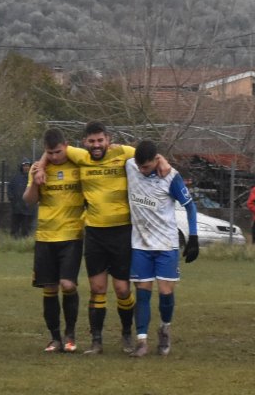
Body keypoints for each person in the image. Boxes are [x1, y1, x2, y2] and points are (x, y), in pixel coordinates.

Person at [33, 121, 170, 355]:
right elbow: (54, 150)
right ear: (84, 142)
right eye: (91, 141)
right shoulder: (81, 156)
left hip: (122, 231)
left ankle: (127, 334)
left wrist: (163, 160)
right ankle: (96, 341)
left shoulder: (124, 153)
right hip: (95, 233)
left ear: (108, 139)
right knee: (97, 287)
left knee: (122, 289)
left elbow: (148, 153)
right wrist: (41, 166)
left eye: (100, 140)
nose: (96, 145)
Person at [124, 140, 198, 357]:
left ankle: (165, 328)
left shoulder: (171, 177)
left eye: (145, 167)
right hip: (140, 244)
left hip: (166, 244)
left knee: (166, 292)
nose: (141, 170)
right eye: (139, 166)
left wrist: (193, 237)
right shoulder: (130, 166)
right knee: (142, 292)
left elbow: (190, 207)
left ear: (156, 160)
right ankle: (142, 341)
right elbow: (114, 150)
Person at [22, 129, 84, 353]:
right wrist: (36, 182)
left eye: (58, 152)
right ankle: (55, 338)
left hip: (72, 235)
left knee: (67, 284)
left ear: (66, 145)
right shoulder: (39, 168)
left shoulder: (78, 164)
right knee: (49, 287)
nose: (55, 156)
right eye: (50, 153)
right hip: (46, 236)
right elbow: (28, 200)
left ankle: (70, 334)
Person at [7, 158, 35, 238]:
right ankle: (13, 238)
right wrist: (11, 197)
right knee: (15, 224)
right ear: (21, 167)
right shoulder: (16, 177)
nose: (26, 167)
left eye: (28, 166)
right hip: (16, 206)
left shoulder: (33, 177)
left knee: (26, 225)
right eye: (24, 166)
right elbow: (10, 187)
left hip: (28, 207)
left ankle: (25, 239)